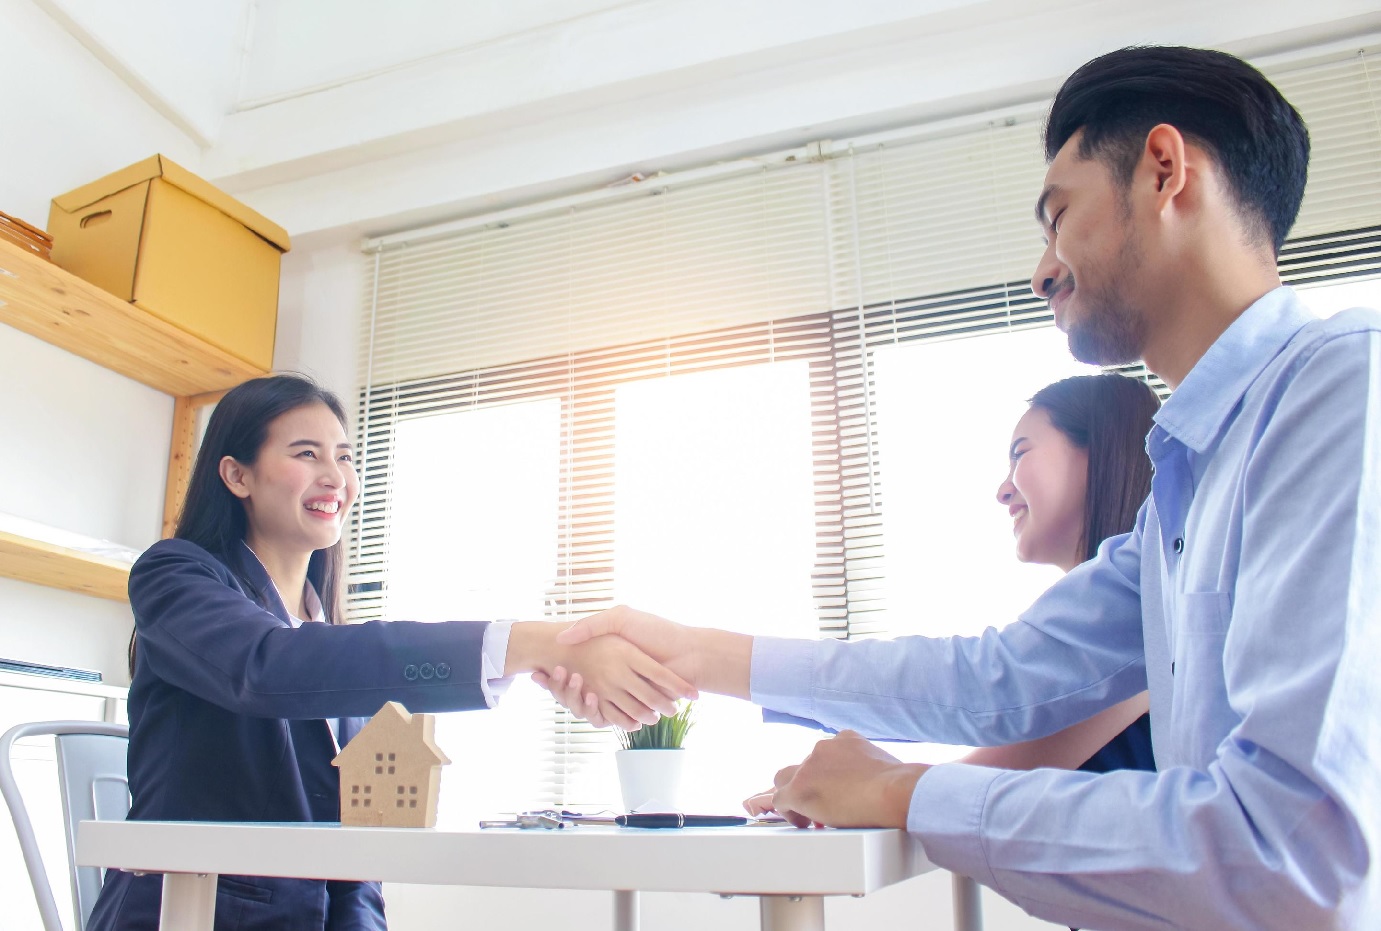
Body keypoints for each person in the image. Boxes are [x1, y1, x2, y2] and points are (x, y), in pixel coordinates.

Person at [556, 46, 1381, 927]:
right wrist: (693, 654)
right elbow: (997, 678)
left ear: (1163, 170)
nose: (1043, 270)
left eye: (1058, 216)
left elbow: (1296, 851)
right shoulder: (1184, 487)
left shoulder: (1341, 385)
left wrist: (903, 790)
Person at [87, 374, 693, 931]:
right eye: (307, 454)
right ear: (237, 475)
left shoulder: (330, 634)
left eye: (344, 456)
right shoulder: (174, 576)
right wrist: (525, 642)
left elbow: (357, 854)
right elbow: (265, 667)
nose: (336, 477)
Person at [724, 373, 1160, 821]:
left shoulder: (1128, 634)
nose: (1002, 490)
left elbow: (977, 771)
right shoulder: (1106, 632)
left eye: (1021, 453)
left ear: (1100, 453)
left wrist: (846, 789)